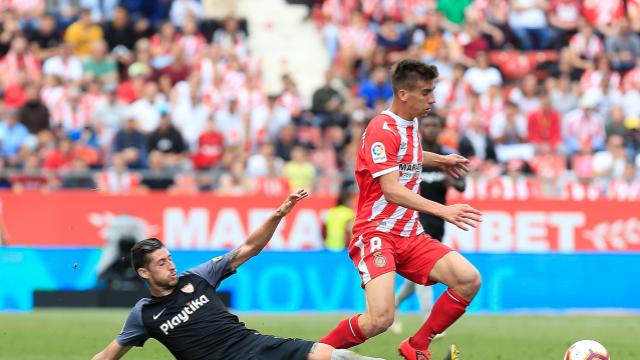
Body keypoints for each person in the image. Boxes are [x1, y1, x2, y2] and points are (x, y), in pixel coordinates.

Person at [91, 190, 385, 360]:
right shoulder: (145, 315)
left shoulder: (198, 277)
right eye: (160, 263)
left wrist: (278, 215)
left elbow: (249, 247)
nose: (171, 265)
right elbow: (107, 356)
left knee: (329, 355)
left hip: (257, 348)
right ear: (144, 272)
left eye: (169, 258)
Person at [318, 59, 483, 360]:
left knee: (468, 279)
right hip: (377, 233)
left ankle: (416, 345)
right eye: (425, 92)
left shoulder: (410, 124)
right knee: (380, 319)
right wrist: (444, 210)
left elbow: (409, 156)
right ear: (403, 94)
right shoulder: (382, 128)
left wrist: (441, 160)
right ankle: (314, 353)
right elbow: (392, 190)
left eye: (433, 91)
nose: (432, 99)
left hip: (410, 235)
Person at [390, 114, 466, 337]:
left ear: (441, 128)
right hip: (414, 219)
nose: (431, 128)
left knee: (420, 276)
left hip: (438, 221)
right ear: (421, 128)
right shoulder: (415, 155)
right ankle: (429, 319)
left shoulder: (443, 156)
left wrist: (451, 178)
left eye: (435, 125)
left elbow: (462, 185)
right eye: (427, 125)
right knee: (425, 269)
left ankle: (393, 304)